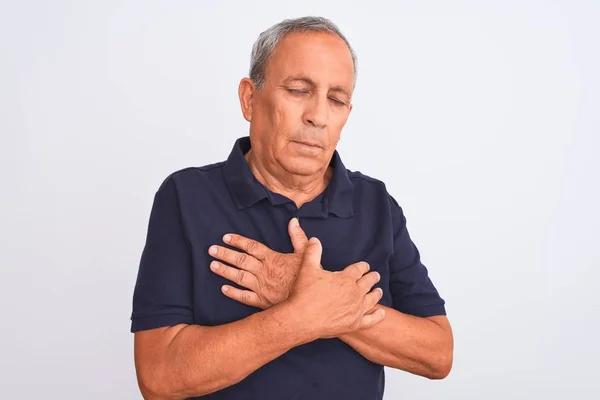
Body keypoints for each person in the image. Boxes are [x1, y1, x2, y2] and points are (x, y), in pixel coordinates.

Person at [130, 16, 454, 400]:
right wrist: (297, 316)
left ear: (346, 115)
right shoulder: (186, 196)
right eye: (299, 90)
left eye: (336, 99)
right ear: (250, 99)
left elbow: (437, 354)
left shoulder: (377, 204)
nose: (317, 116)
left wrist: (307, 290)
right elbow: (159, 376)